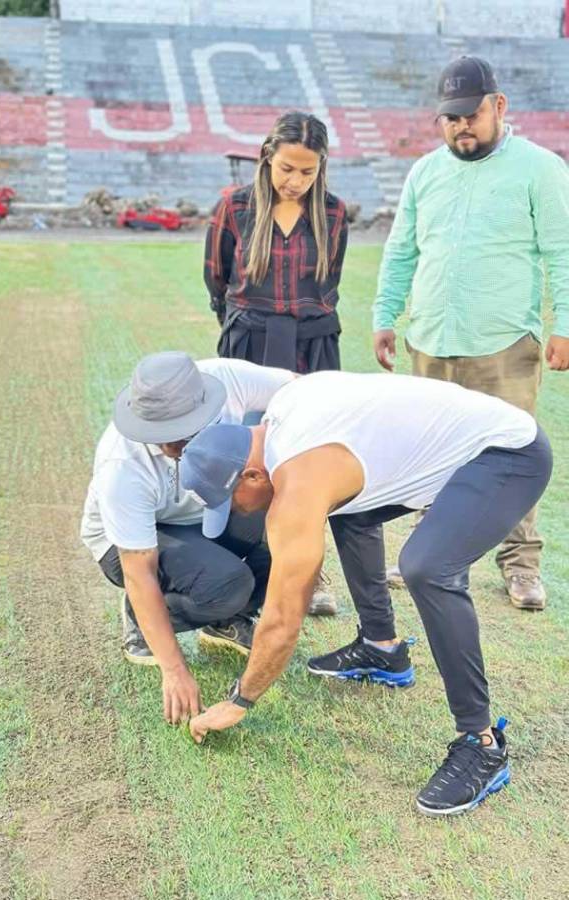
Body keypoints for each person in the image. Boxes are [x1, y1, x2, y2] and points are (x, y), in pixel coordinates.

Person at [180, 371, 551, 816]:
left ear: (254, 473)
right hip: (465, 440)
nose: (240, 512)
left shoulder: (297, 484)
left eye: (234, 501)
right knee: (349, 509)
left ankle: (482, 743)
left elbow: (282, 620)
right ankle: (381, 647)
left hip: (508, 454)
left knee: (427, 567)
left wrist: (239, 700)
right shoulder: (281, 411)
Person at [372, 56, 569, 610]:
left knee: (514, 453)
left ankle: (522, 564)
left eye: (472, 114)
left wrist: (566, 327)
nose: (462, 126)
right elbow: (402, 249)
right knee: (430, 452)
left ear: (499, 107)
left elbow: (562, 251)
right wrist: (385, 316)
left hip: (506, 342)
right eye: (450, 117)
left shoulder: (540, 168)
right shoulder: (426, 171)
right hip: (431, 338)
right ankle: (426, 551)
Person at [80, 351, 296, 723]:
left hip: (201, 516)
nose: (174, 447)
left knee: (281, 530)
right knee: (230, 584)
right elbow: (138, 569)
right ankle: (142, 617)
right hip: (131, 543)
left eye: (183, 433)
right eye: (162, 437)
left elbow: (299, 393)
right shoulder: (122, 467)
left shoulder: (228, 381)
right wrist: (175, 670)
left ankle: (225, 620)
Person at [205, 110, 350, 617]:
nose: (296, 182)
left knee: (310, 460)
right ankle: (246, 568)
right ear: (268, 157)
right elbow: (218, 283)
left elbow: (329, 286)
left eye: (308, 172)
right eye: (287, 168)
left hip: (313, 349)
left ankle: (311, 570)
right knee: (249, 464)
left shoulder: (333, 214)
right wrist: (249, 326)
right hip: (250, 345)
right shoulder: (235, 207)